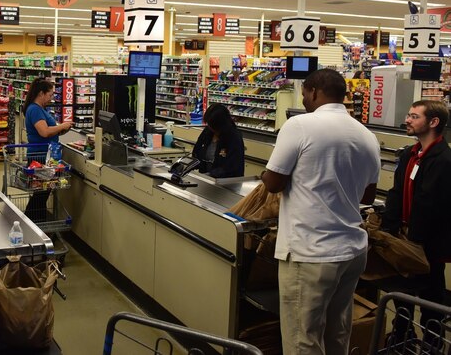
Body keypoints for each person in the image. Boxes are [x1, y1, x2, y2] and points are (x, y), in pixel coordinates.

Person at [261, 69, 380, 355]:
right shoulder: (367, 136)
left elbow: (274, 182)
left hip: (311, 251)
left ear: (314, 91)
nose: (303, 100)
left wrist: (267, 175)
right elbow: (368, 195)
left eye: (303, 95)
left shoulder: (300, 125)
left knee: (303, 338)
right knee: (337, 332)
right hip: (352, 251)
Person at [381, 100, 451, 344]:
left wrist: (414, 242)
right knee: (401, 295)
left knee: (431, 298)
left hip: (428, 246)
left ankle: (432, 342)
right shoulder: (410, 154)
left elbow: (430, 205)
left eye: (414, 116)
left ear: (433, 122)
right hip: (405, 239)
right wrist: (390, 230)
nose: (407, 120)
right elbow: (397, 191)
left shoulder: (443, 160)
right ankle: (402, 338)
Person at [23, 78, 72, 222]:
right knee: (41, 194)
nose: (51, 98)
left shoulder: (39, 109)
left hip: (45, 156)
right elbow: (44, 132)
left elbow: (50, 131)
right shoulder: (35, 109)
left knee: (41, 194)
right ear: (41, 93)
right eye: (50, 95)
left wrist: (62, 129)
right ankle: (33, 224)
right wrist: (62, 125)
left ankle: (34, 224)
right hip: (40, 157)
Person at [191, 103, 245, 178]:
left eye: (212, 125)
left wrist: (210, 175)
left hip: (226, 184)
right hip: (206, 181)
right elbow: (197, 153)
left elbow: (232, 168)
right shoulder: (208, 131)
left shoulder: (234, 138)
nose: (209, 127)